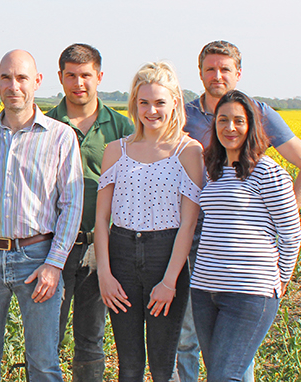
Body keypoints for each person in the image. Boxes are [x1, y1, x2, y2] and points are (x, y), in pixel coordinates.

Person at [176, 40, 301, 382]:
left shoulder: (260, 115)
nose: (217, 75)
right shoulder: (182, 114)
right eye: (210, 68)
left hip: (248, 268)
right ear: (200, 73)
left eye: (225, 69)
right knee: (188, 342)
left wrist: (262, 215)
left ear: (238, 74)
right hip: (197, 252)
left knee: (234, 362)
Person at [0, 49, 83, 382]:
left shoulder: (60, 137)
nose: (14, 85)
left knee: (43, 362)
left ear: (37, 82)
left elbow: (71, 204)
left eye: (22, 77)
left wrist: (54, 264)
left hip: (37, 258)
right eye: (7, 77)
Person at [95, 61, 204, 382]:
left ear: (174, 104)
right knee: (128, 365)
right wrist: (104, 273)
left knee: (162, 364)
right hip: (121, 254)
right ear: (134, 104)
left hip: (165, 256)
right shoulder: (116, 150)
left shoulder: (189, 151)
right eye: (144, 102)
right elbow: (102, 219)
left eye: (159, 102)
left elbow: (188, 224)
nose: (151, 110)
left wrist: (170, 281)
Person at [193, 89, 301, 381]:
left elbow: (291, 233)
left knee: (223, 376)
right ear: (214, 125)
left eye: (238, 121)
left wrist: (282, 278)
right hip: (205, 288)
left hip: (249, 291)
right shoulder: (212, 170)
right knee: (229, 374)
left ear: (251, 126)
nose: (230, 128)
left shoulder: (268, 172)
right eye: (223, 120)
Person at [42, 43, 134, 381]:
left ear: (99, 77)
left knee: (91, 336)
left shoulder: (121, 127)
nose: (78, 83)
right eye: (70, 76)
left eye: (85, 75)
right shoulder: (46, 124)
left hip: (102, 246)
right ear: (60, 78)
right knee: (47, 334)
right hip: (54, 246)